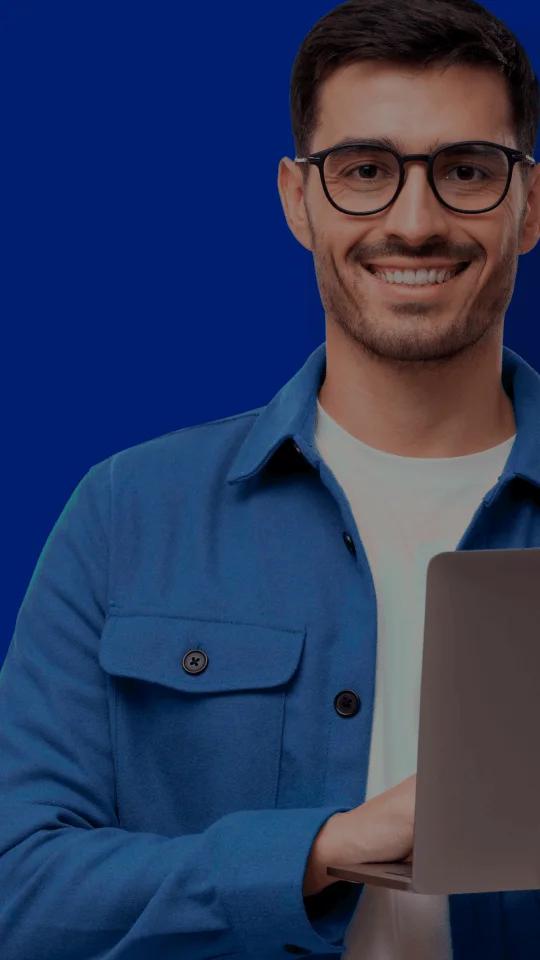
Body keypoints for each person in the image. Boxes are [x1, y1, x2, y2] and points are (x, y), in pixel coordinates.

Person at [0, 0, 539, 957]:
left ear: (528, 205)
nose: (415, 223)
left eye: (465, 171)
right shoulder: (128, 514)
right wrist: (318, 852)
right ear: (298, 200)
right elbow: (18, 891)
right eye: (366, 171)